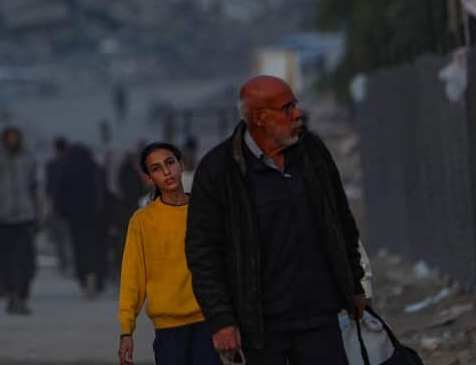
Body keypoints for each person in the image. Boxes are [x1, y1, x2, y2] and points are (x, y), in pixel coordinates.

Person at [186, 76, 368, 365]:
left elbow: (341, 221)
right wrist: (221, 319)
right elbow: (203, 253)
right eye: (287, 108)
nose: (297, 114)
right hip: (259, 327)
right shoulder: (218, 170)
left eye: (295, 105)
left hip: (319, 317)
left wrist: (355, 285)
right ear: (259, 118)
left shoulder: (312, 153)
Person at [117, 143, 220, 365]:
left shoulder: (207, 211)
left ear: (181, 165)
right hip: (169, 329)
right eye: (156, 168)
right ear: (149, 178)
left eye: (170, 163)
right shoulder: (143, 221)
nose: (166, 172)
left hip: (210, 323)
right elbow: (132, 278)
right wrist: (126, 330)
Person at [0, 126, 40, 316]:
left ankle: (22, 296)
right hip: (3, 218)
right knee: (5, 260)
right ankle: (11, 295)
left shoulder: (28, 160)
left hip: (25, 216)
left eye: (15, 137)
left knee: (26, 261)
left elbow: (35, 188)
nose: (12, 141)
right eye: (9, 138)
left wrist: (38, 213)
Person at [56, 143, 108, 299]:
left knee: (79, 248)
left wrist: (62, 212)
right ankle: (97, 279)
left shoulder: (66, 170)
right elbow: (104, 192)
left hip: (75, 217)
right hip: (95, 216)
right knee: (96, 247)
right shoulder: (95, 168)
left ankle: (84, 278)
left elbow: (60, 194)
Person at [44, 137, 72, 276]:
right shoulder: (71, 164)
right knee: (70, 236)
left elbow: (49, 188)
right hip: (71, 205)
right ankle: (71, 263)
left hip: (57, 205)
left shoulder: (51, 165)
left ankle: (63, 263)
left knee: (60, 237)